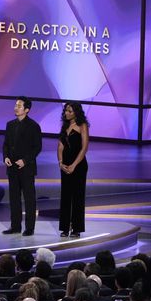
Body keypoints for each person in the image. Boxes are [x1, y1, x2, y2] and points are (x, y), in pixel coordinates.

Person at [2, 96, 42, 236]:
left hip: (26, 168)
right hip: (12, 167)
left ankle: (29, 228)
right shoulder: (10, 124)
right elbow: (6, 144)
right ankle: (15, 226)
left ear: (27, 110)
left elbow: (37, 148)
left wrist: (25, 160)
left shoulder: (34, 126)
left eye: (19, 106)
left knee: (29, 199)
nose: (16, 108)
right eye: (15, 105)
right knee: (14, 198)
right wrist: (6, 157)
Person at [57, 102, 89, 238]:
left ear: (76, 112)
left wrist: (74, 165)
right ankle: (64, 227)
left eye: (69, 111)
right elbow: (60, 146)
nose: (67, 113)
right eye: (66, 111)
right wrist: (60, 163)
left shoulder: (83, 126)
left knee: (77, 197)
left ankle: (76, 228)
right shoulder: (65, 126)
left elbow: (84, 148)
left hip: (79, 166)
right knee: (65, 196)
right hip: (65, 166)